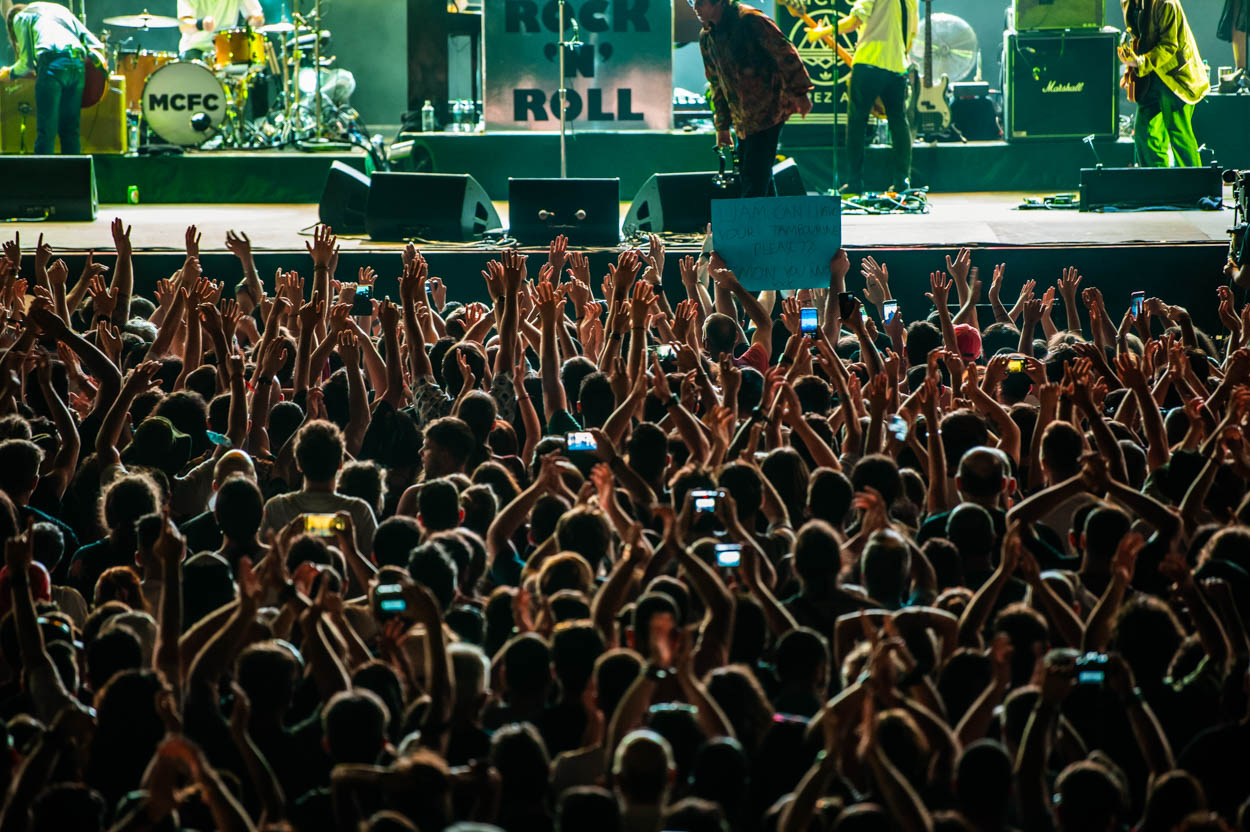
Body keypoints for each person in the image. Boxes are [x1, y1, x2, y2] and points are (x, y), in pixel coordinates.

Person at [692, 0, 814, 197]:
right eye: (692, 2)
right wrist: (722, 127)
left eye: (700, 2)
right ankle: (770, 223)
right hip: (744, 118)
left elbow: (785, 53)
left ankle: (748, 226)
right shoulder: (707, 37)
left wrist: (800, 93)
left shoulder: (750, 20)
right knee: (758, 175)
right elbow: (716, 82)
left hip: (769, 110)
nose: (695, 8)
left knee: (753, 176)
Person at [0, 2, 105, 155]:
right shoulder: (60, 10)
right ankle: (73, 176)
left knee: (46, 131)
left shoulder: (20, 18)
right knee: (70, 132)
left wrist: (8, 73)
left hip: (52, 67)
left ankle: (44, 177)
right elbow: (96, 45)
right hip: (77, 66)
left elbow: (26, 64)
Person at [838, 0, 918, 195]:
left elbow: (853, 22)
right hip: (898, 65)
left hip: (869, 62)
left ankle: (854, 183)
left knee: (857, 122)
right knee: (899, 122)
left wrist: (822, 32)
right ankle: (901, 182)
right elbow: (911, 35)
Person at [1119, 0, 1209, 168]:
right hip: (1150, 77)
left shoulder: (1167, 3)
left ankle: (1196, 187)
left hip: (1175, 78)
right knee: (1144, 134)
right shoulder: (1128, 3)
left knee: (1179, 136)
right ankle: (1157, 185)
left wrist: (1139, 62)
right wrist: (1130, 70)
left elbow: (1169, 46)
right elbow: (1140, 39)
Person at [176, 0, 264, 60]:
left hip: (228, 50)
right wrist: (201, 24)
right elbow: (183, 26)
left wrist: (256, 20)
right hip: (195, 48)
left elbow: (255, 15)